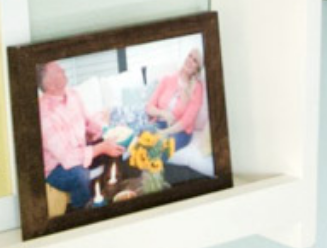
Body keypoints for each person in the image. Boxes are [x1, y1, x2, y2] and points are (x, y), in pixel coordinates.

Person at [38, 60, 124, 209]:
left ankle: (109, 195)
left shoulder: (72, 94)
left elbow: (87, 122)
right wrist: (100, 148)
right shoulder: (44, 114)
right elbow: (67, 157)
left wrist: (98, 132)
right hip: (57, 168)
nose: (63, 70)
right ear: (50, 85)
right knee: (79, 175)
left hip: (80, 150)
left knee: (116, 146)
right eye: (58, 71)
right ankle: (85, 212)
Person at [145, 47, 205, 152]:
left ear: (197, 69)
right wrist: (163, 113)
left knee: (160, 147)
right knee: (143, 135)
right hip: (161, 122)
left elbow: (186, 121)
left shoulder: (197, 88)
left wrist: (164, 133)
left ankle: (152, 166)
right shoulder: (167, 80)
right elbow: (149, 107)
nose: (190, 60)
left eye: (195, 60)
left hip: (181, 131)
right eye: (189, 56)